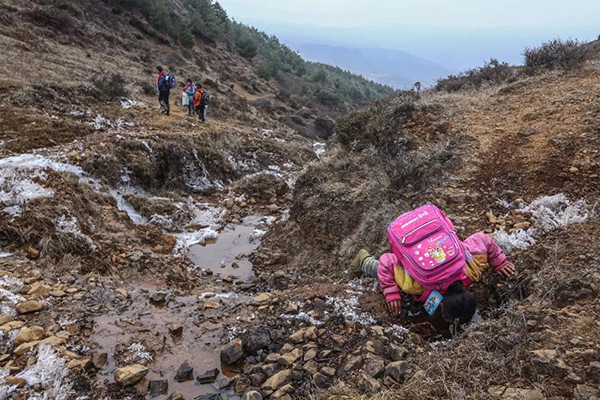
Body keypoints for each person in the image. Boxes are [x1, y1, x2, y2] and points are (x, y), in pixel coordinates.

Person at [349, 206, 515, 330]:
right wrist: (391, 293)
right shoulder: (415, 285)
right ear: (441, 306)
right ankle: (364, 261)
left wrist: (498, 261)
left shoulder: (471, 270)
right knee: (400, 283)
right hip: (407, 231)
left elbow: (482, 239)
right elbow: (387, 261)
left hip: (428, 225)